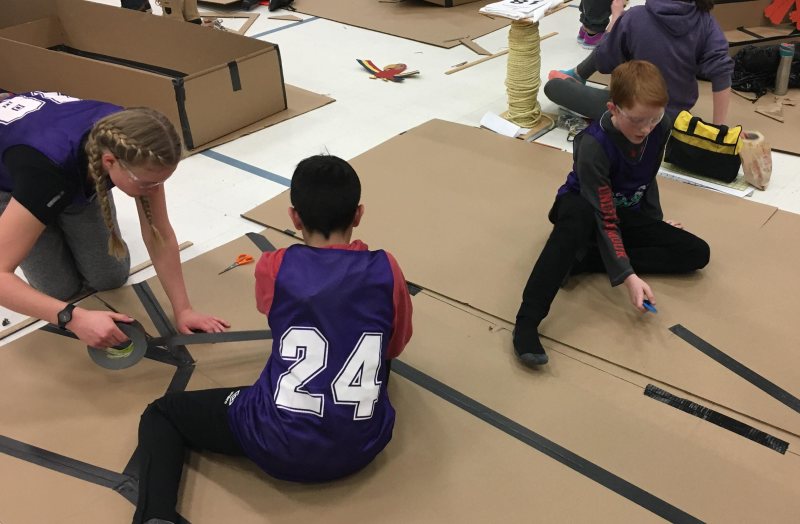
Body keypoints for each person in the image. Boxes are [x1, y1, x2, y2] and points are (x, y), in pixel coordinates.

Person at [133, 155, 413, 524]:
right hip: (364, 445)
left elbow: (271, 309)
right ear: (358, 214)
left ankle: (155, 517)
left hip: (275, 444)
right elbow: (395, 346)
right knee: (377, 337)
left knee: (162, 413)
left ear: (294, 217)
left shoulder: (274, 265)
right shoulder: (386, 266)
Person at [514, 61, 710, 366]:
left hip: (624, 211)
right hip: (585, 208)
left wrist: (654, 222)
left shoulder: (661, 126)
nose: (646, 129)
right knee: (577, 220)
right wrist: (628, 276)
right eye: (637, 120)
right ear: (614, 109)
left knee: (696, 253)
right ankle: (526, 324)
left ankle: (584, 261)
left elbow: (647, 177)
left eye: (654, 119)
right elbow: (604, 215)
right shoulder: (594, 144)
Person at [0, 91, 229, 349]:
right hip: (15, 182)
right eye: (148, 183)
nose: (155, 190)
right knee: (58, 292)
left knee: (109, 277)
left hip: (65, 173)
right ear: (110, 162)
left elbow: (159, 233)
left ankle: (54, 213)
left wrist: (184, 310)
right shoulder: (45, 176)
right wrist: (72, 317)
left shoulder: (132, 140)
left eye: (161, 181)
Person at [546, 0, 733, 125]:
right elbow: (722, 73)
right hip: (677, 115)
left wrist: (616, 18)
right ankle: (578, 76)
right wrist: (718, 129)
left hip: (632, 113)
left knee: (553, 87)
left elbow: (604, 61)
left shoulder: (636, 17)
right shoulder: (706, 21)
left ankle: (577, 78)